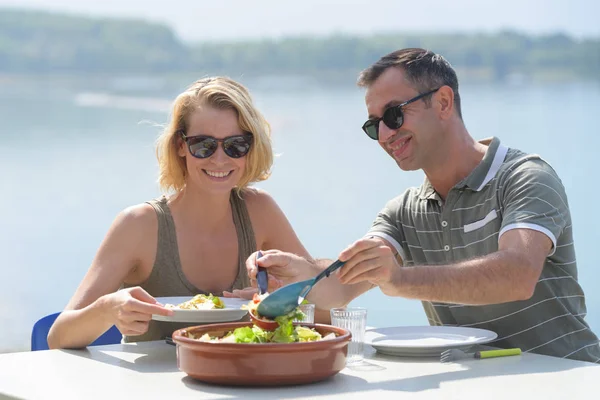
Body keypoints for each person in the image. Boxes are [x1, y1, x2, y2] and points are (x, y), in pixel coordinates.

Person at [239, 48, 600, 363]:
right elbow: (339, 289)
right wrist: (297, 273)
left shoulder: (525, 176)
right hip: (480, 384)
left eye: (394, 115)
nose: (384, 135)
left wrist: (399, 279)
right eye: (373, 125)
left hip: (567, 375)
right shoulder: (404, 211)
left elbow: (517, 276)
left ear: (443, 102)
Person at [47, 76, 316, 349]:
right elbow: (59, 337)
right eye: (203, 145)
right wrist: (107, 309)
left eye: (236, 144)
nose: (220, 159)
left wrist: (280, 301)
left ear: (251, 147)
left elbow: (326, 308)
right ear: (180, 146)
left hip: (239, 386)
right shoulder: (139, 225)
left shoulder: (261, 211)